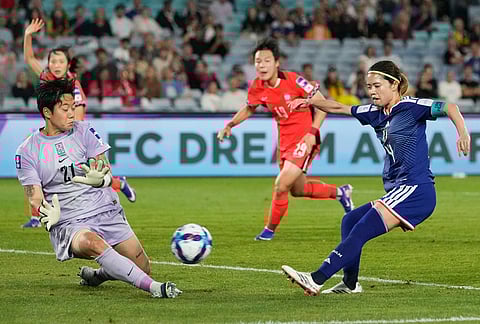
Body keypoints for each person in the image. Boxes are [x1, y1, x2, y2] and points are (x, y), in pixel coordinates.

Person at [282, 60, 470, 294]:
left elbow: (450, 107)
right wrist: (312, 101)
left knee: (361, 228)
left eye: (377, 86)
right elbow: (340, 107)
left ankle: (316, 278)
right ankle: (350, 283)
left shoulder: (412, 107)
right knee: (349, 221)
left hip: (416, 190)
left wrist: (462, 132)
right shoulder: (374, 113)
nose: (371, 91)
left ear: (395, 84)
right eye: (368, 86)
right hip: (400, 190)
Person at [15, 79, 182, 298]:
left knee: (142, 266)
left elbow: (103, 165)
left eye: (73, 108)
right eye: (65, 109)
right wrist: (47, 214)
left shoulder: (84, 131)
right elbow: (34, 198)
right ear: (47, 112)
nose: (72, 114)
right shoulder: (28, 151)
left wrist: (101, 177)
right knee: (91, 242)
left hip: (105, 210)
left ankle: (98, 276)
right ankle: (155, 288)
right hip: (69, 221)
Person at [217, 38, 354, 241]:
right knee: (297, 190)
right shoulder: (257, 86)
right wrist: (230, 125)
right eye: (257, 61)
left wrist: (312, 133)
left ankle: (269, 230)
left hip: (305, 139)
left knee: (281, 185)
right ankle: (341, 193)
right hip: (285, 144)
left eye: (266, 61)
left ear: (277, 62)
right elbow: (249, 108)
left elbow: (324, 105)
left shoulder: (294, 80)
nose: (261, 65)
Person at [21, 19, 136, 229]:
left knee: (89, 177)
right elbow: (29, 58)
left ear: (67, 65)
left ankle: (116, 186)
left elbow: (78, 118)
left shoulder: (73, 86)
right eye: (52, 61)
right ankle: (37, 216)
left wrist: (69, 140)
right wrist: (28, 34)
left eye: (60, 62)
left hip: (72, 135)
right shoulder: (47, 78)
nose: (55, 65)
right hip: (54, 133)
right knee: (37, 165)